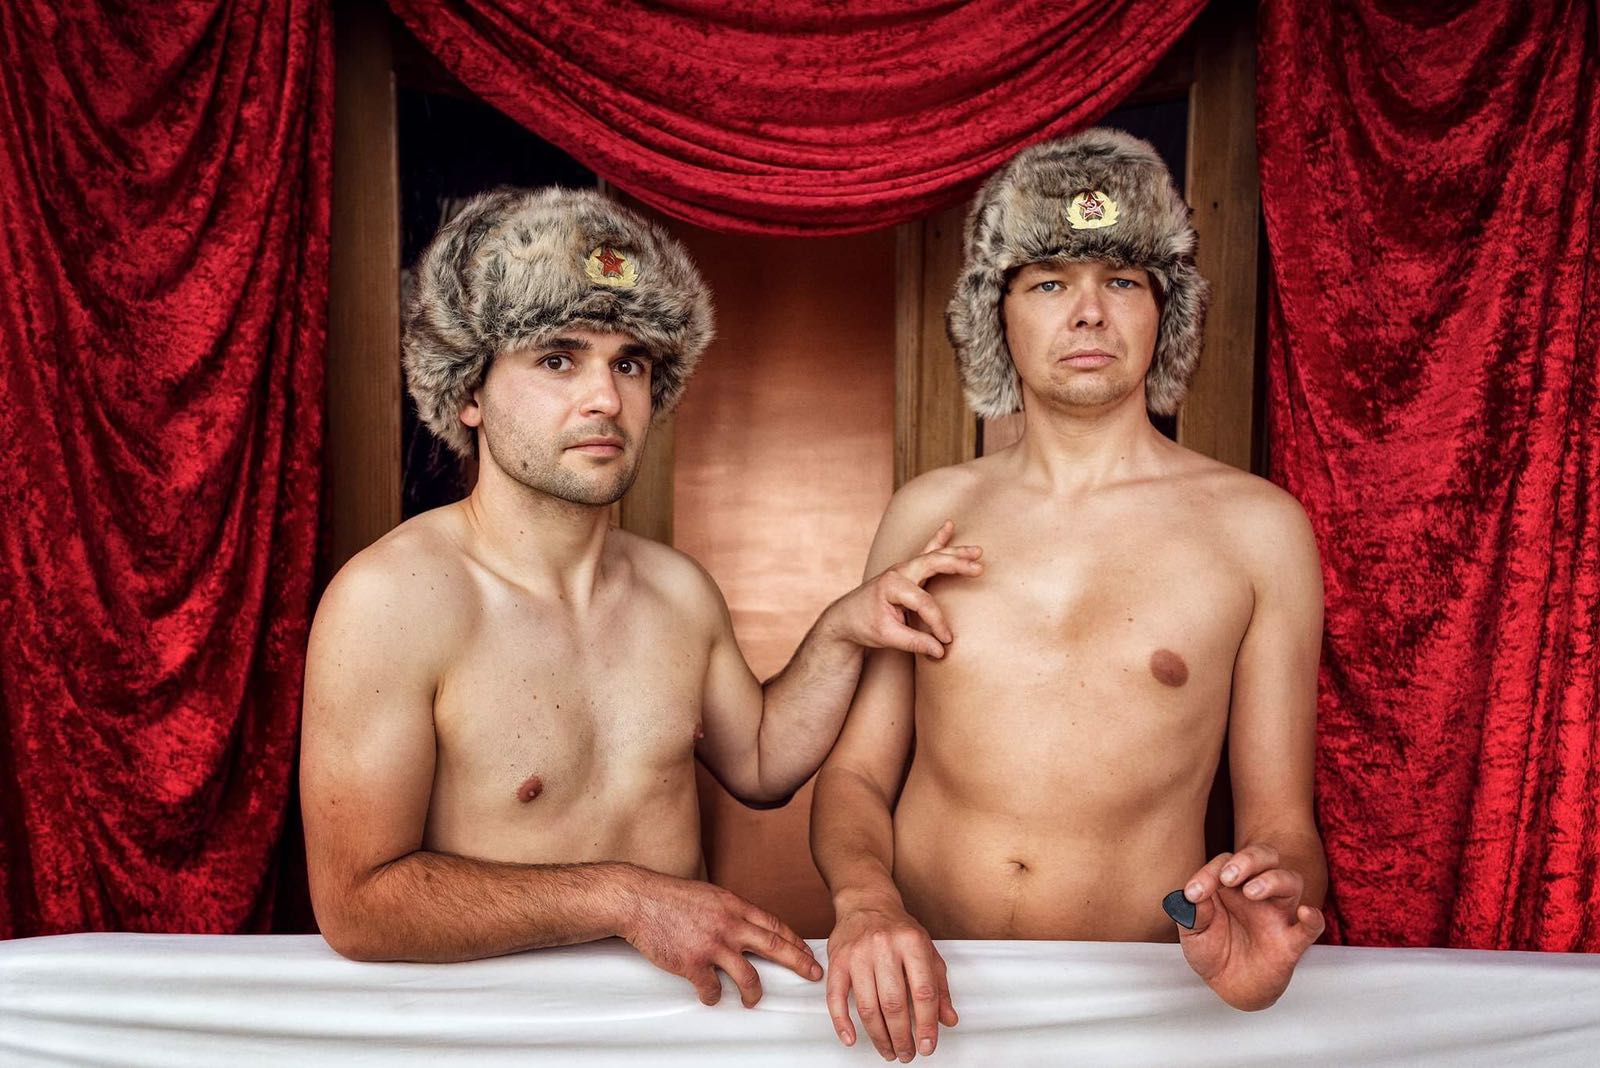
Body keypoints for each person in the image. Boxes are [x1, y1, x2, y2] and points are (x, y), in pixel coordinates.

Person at [300, 187, 983, 1010]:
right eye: (558, 359)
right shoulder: (389, 603)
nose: (605, 399)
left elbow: (761, 762)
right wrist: (625, 899)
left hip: (682, 1033)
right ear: (469, 393)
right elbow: (357, 903)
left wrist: (841, 633)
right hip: (499, 1040)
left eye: (629, 363)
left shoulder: (675, 589)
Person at [811, 130, 1328, 1060]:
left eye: (1122, 280)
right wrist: (866, 905)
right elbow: (855, 776)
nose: (1089, 313)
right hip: (924, 990)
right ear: (996, 315)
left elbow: (1281, 824)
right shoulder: (928, 513)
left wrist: (1274, 897)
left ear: (1165, 313)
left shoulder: (1259, 530)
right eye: (1049, 282)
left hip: (1134, 1002)